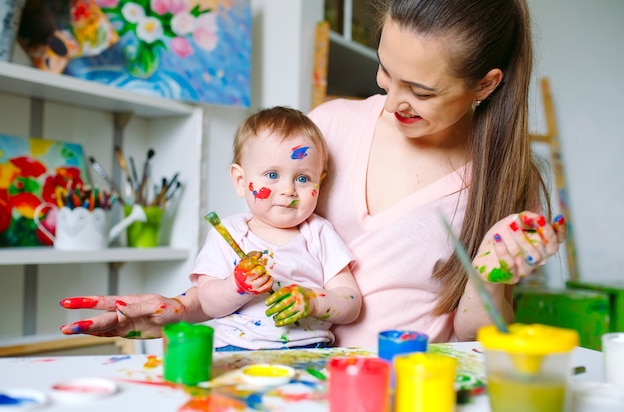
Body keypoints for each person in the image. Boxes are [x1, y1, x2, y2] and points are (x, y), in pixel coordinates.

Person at [59, 0, 567, 348]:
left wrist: (488, 275)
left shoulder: (504, 179)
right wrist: (177, 308)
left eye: (420, 90)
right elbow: (262, 263)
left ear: (485, 84)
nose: (390, 103)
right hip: (281, 382)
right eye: (385, 71)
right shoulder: (324, 131)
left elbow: (475, 337)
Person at [62, 107, 362, 350]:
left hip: (310, 353)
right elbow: (208, 302)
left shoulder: (319, 233)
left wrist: (312, 300)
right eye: (272, 174)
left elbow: (351, 302)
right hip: (236, 352)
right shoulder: (228, 234)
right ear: (241, 181)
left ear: (319, 181)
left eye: (303, 178)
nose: (288, 189)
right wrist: (237, 285)